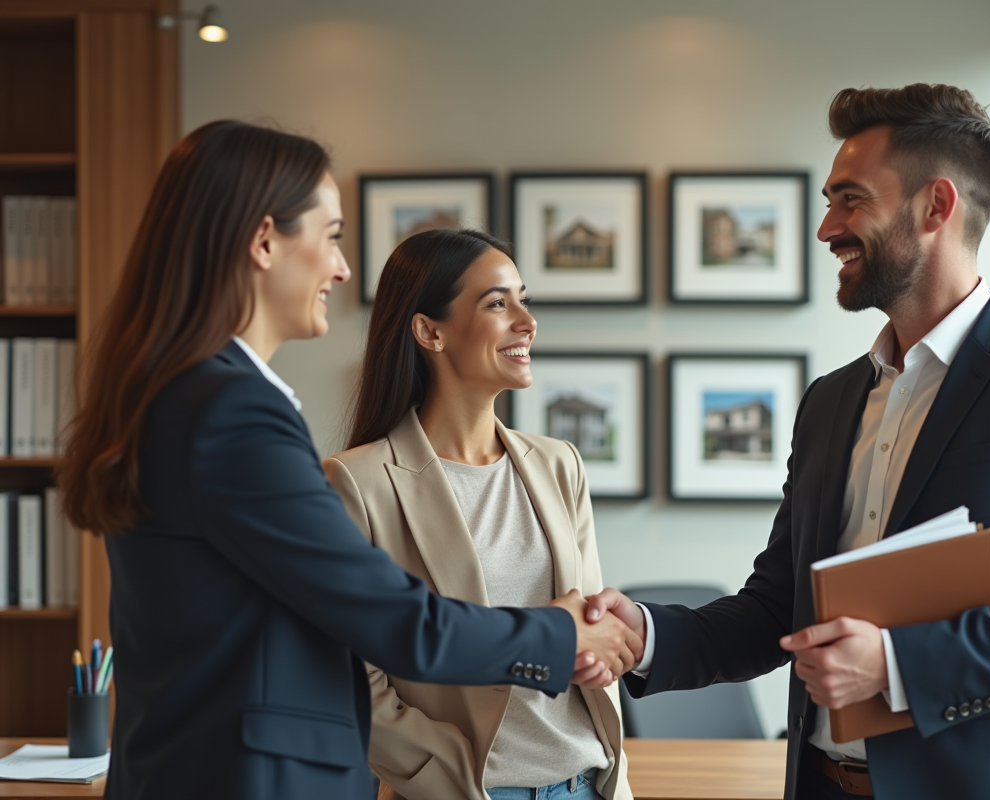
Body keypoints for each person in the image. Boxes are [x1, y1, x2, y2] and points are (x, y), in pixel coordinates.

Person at [586, 84, 990, 800]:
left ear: (935, 206)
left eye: (850, 200)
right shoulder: (830, 401)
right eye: (830, 202)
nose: (826, 228)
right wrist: (645, 632)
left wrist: (895, 662)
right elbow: (776, 611)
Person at [56, 120, 636, 800]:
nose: (342, 267)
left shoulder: (194, 397)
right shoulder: (231, 413)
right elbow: (395, 621)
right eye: (330, 237)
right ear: (265, 241)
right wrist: (557, 636)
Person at [323, 228, 634, 800]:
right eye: (498, 302)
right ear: (429, 331)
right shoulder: (358, 483)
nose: (526, 321)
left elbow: (588, 627)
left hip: (589, 784)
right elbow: (350, 680)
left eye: (524, 299)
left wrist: (597, 655)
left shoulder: (559, 463)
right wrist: (449, 777)